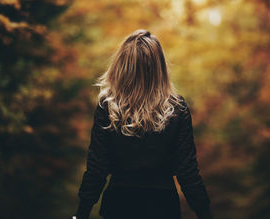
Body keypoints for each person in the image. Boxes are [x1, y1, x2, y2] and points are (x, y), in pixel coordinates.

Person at [73, 29, 213, 219]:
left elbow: (97, 167)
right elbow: (187, 171)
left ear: (122, 65)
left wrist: (81, 214)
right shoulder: (176, 109)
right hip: (163, 207)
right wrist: (205, 214)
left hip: (119, 205)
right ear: (159, 67)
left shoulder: (108, 107)